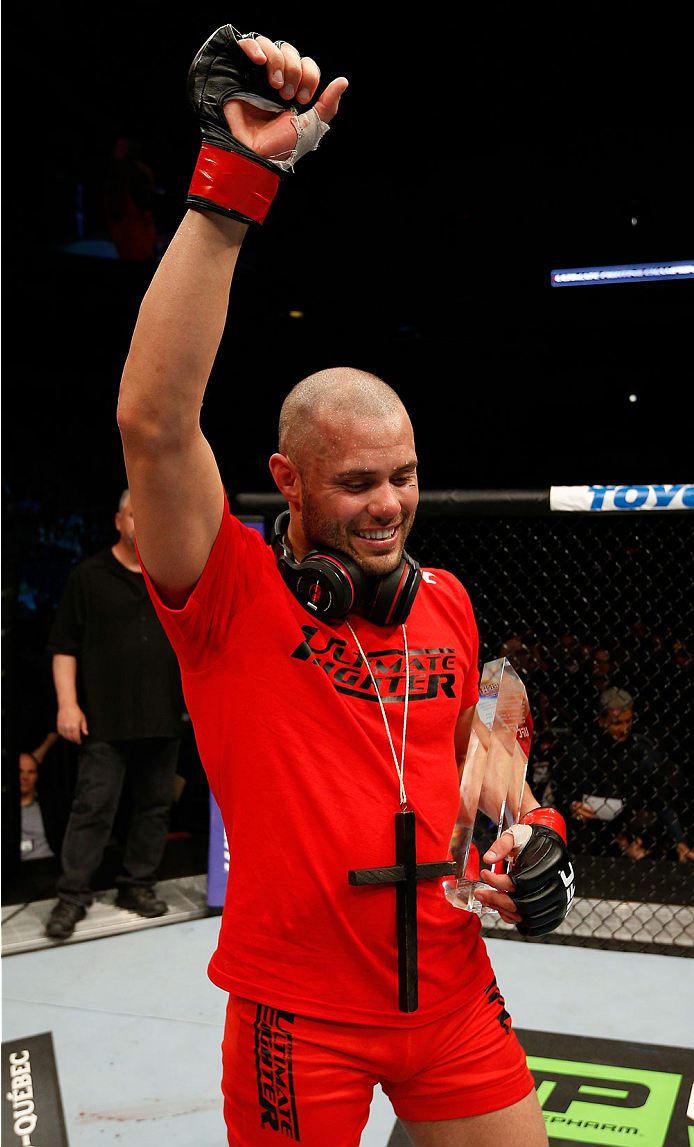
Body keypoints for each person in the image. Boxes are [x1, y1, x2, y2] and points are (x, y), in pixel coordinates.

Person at [116, 25, 575, 1146]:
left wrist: (539, 841)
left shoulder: (448, 602)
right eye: (359, 481)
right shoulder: (225, 593)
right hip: (297, 1013)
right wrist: (233, 189)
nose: (387, 504)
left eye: (405, 477)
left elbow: (491, 768)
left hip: (453, 995)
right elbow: (155, 422)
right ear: (291, 483)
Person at [44, 489, 184, 940]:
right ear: (119, 521)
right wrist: (67, 704)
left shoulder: (170, 576)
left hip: (163, 716)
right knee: (93, 809)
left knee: (155, 808)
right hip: (104, 717)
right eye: (134, 515)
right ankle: (72, 897)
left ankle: (136, 887)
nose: (143, 523)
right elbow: (63, 647)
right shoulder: (90, 576)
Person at [559, 687, 693, 862]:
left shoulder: (643, 752)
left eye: (628, 721)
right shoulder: (581, 749)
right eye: (617, 723)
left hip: (630, 832)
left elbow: (662, 801)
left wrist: (679, 840)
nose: (624, 729)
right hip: (585, 832)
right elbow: (561, 786)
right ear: (601, 720)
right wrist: (571, 804)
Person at [19, 733, 59, 861]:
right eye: (20, 771)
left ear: (36, 776)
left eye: (31, 772)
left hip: (45, 864)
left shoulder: (48, 806)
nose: (25, 777)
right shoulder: (6, 810)